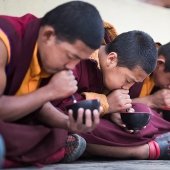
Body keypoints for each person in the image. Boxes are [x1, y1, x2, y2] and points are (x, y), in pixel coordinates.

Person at [0, 1, 105, 168]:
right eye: (70, 56)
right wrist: (50, 91)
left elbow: (34, 103)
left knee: (58, 131)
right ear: (48, 35)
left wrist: (68, 123)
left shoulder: (43, 52)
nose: (72, 66)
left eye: (78, 60)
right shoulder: (4, 41)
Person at [54, 30, 170, 160]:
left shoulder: (116, 67)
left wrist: (115, 112)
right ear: (111, 59)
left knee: (141, 112)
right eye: (127, 81)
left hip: (98, 120)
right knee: (66, 126)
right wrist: (106, 105)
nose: (127, 88)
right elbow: (58, 106)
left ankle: (84, 147)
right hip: (69, 120)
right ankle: (144, 150)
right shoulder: (78, 59)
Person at [130, 42, 170, 121]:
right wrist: (151, 101)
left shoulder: (158, 75)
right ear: (160, 63)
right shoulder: (133, 63)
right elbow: (111, 105)